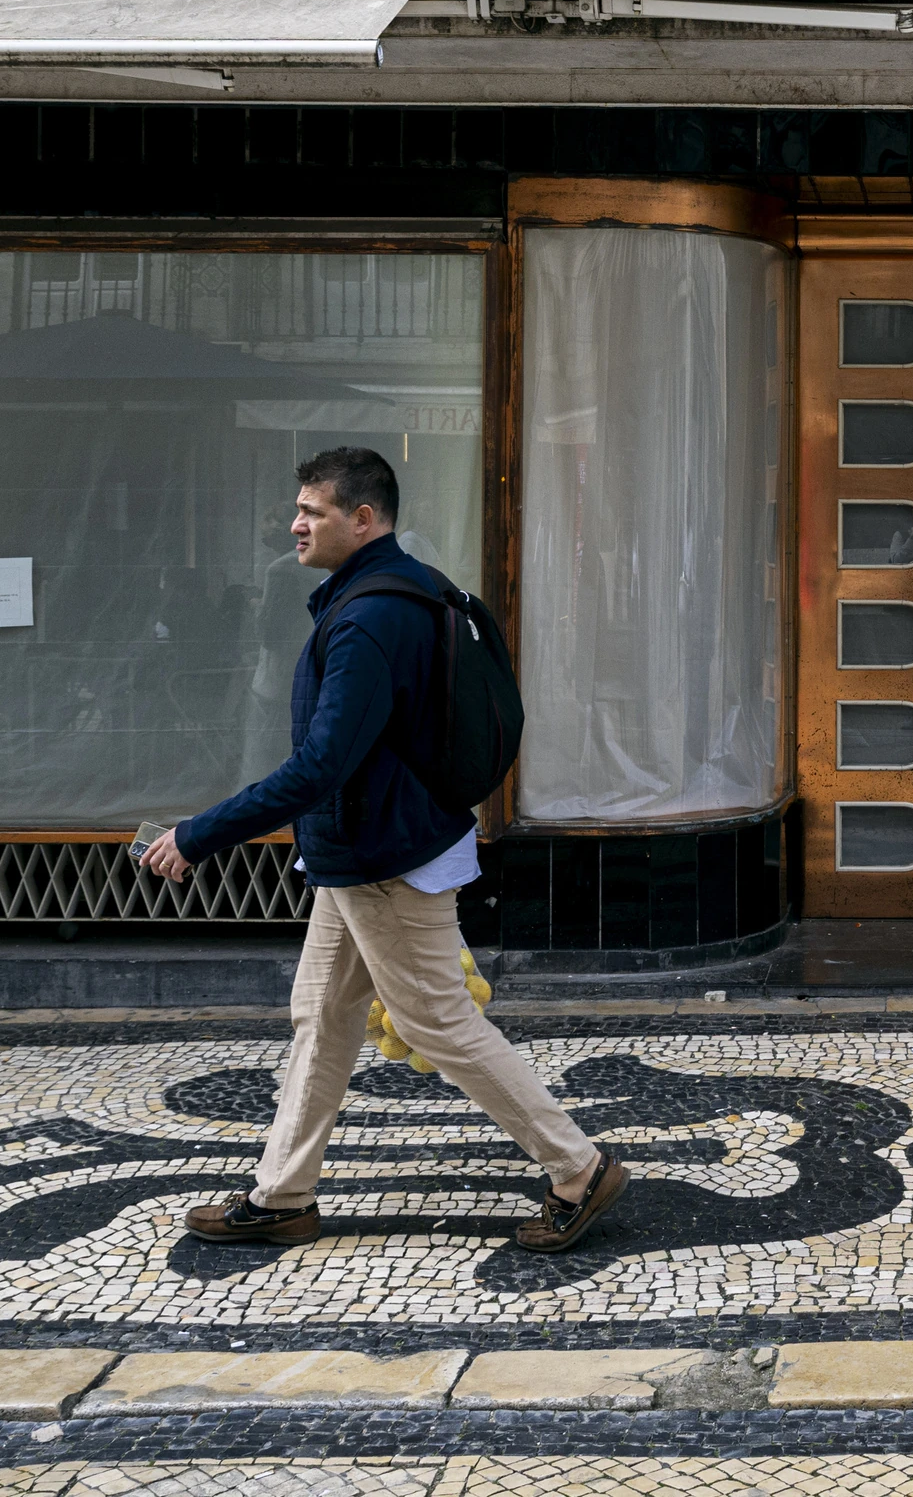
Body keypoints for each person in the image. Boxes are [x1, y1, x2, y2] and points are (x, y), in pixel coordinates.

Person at [141, 446, 626, 1252]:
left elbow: (323, 764)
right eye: (296, 508)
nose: (295, 523)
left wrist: (200, 834)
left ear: (363, 519)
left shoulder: (369, 615)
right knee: (324, 1016)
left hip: (383, 855)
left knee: (436, 1021)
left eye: (314, 511)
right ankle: (283, 1193)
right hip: (368, 844)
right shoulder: (411, 590)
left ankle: (578, 1167)